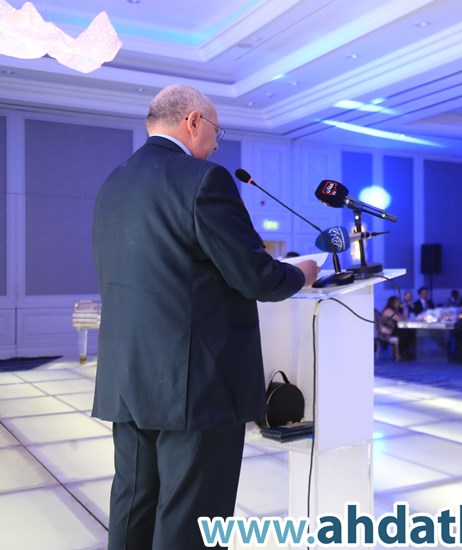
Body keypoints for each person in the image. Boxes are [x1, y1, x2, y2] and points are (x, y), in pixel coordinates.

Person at [91, 84, 321, 549]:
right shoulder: (203, 180)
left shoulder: (113, 182)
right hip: (196, 385)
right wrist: (302, 273)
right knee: (191, 520)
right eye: (216, 131)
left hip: (127, 377)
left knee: (133, 505)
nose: (216, 144)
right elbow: (255, 276)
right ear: (193, 121)